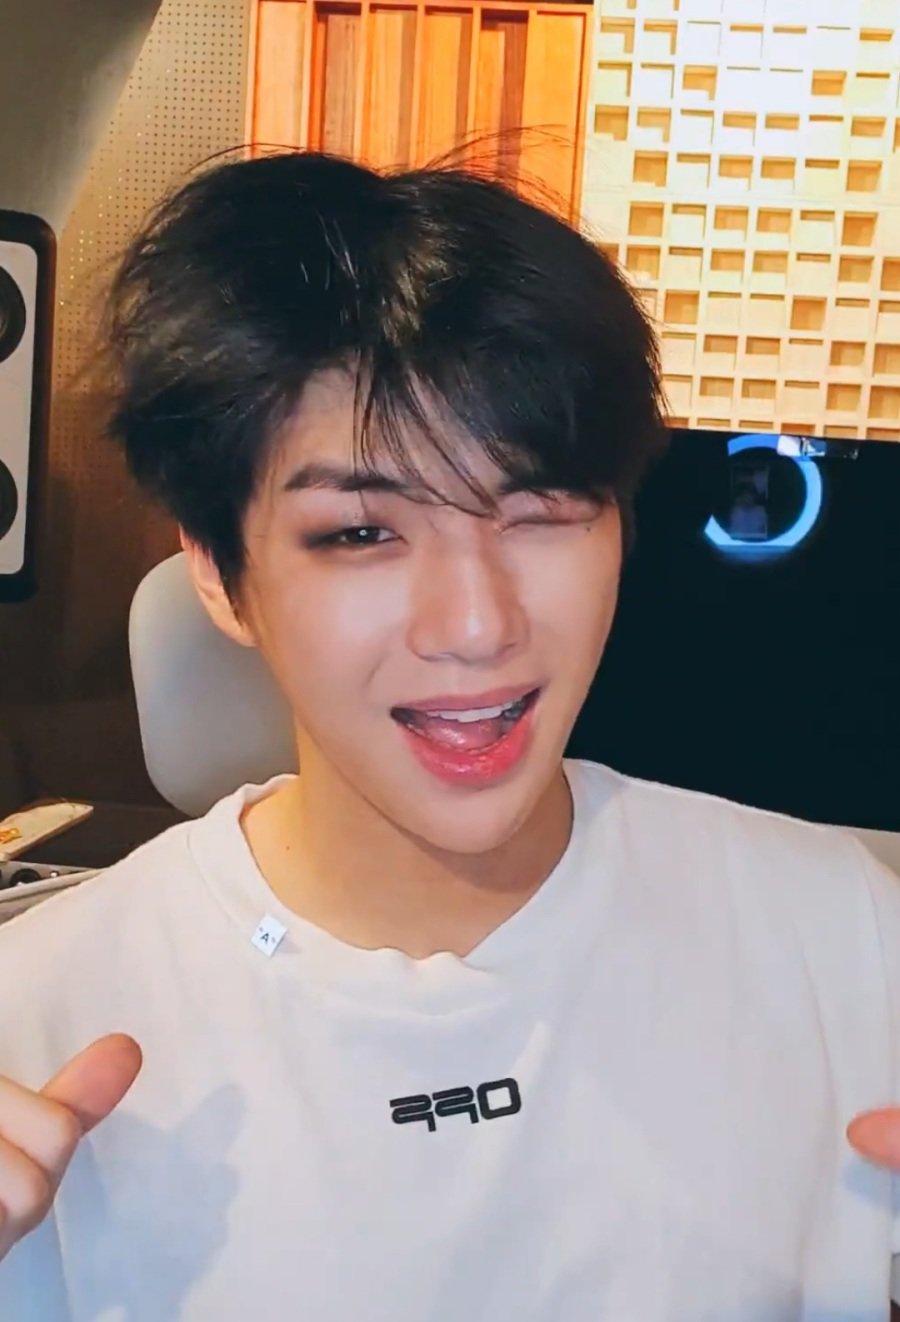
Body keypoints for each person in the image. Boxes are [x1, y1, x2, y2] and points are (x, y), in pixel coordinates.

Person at [1, 149, 900, 1322]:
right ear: (218, 571)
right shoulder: (38, 1019)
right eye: (361, 531)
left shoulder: (846, 931)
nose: (477, 624)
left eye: (541, 509)